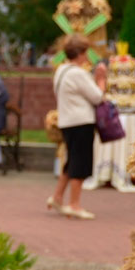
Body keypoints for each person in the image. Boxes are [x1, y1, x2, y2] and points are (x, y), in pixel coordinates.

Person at [47, 36, 107, 219]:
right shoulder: (78, 73)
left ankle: (58, 197)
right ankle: (75, 204)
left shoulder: (61, 71)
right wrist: (101, 79)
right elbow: (97, 97)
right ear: (81, 53)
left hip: (66, 121)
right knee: (80, 163)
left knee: (71, 161)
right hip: (81, 121)